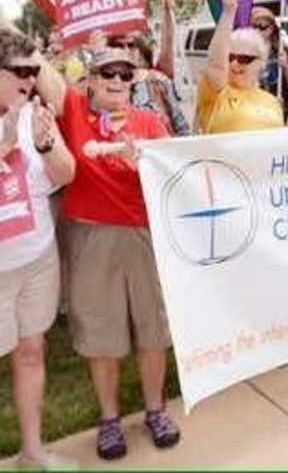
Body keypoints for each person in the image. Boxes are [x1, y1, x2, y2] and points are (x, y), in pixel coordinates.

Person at [32, 47, 180, 461]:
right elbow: (41, 72)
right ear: (91, 79)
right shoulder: (74, 110)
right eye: (107, 73)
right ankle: (110, 419)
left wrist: (142, 166)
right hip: (90, 236)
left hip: (141, 234)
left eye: (126, 74)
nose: (117, 80)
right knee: (101, 333)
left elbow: (173, 179)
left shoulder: (150, 122)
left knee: (152, 329)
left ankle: (156, 411)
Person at [0, 30, 76, 470]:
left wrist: (46, 144)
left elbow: (66, 174)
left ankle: (32, 452)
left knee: (31, 350)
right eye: (21, 72)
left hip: (37, 258)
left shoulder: (35, 115)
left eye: (36, 70)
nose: (31, 80)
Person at [196, 0, 284, 135]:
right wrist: (229, 12)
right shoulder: (217, 93)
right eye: (230, 57)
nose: (235, 63)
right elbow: (216, 65)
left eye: (244, 59)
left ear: (261, 63)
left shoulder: (273, 102)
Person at [249, 6, 288, 113]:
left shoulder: (283, 52)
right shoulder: (243, 54)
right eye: (253, 26)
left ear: (271, 29)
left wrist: (286, 67)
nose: (257, 31)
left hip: (283, 112)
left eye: (262, 27)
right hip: (256, 114)